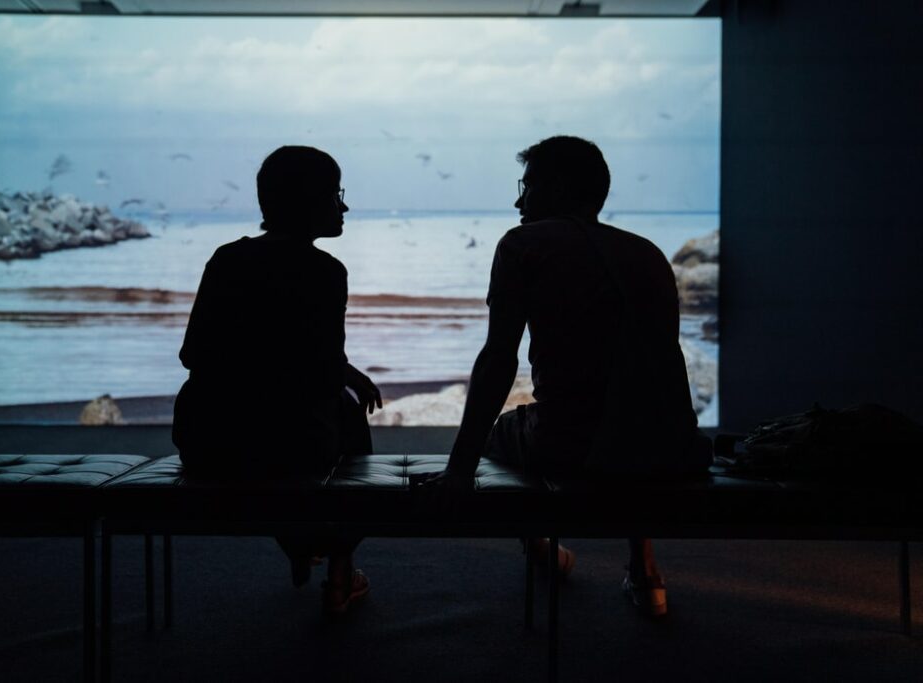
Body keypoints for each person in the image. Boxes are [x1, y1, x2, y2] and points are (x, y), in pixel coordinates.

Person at [420, 136, 711, 617]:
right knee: (628, 409)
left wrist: (458, 469)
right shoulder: (648, 253)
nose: (518, 200)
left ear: (555, 188)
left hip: (574, 447)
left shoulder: (523, 245)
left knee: (504, 434)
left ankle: (543, 552)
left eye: (527, 185)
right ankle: (645, 568)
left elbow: (498, 359)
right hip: (670, 446)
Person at [172, 145, 382, 615]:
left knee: (278, 430)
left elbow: (194, 353)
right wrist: (340, 377)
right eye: (336, 194)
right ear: (311, 202)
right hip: (291, 449)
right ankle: (340, 571)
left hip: (208, 442)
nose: (344, 206)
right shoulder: (326, 271)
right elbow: (322, 370)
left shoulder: (227, 259)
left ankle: (299, 539)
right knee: (342, 427)